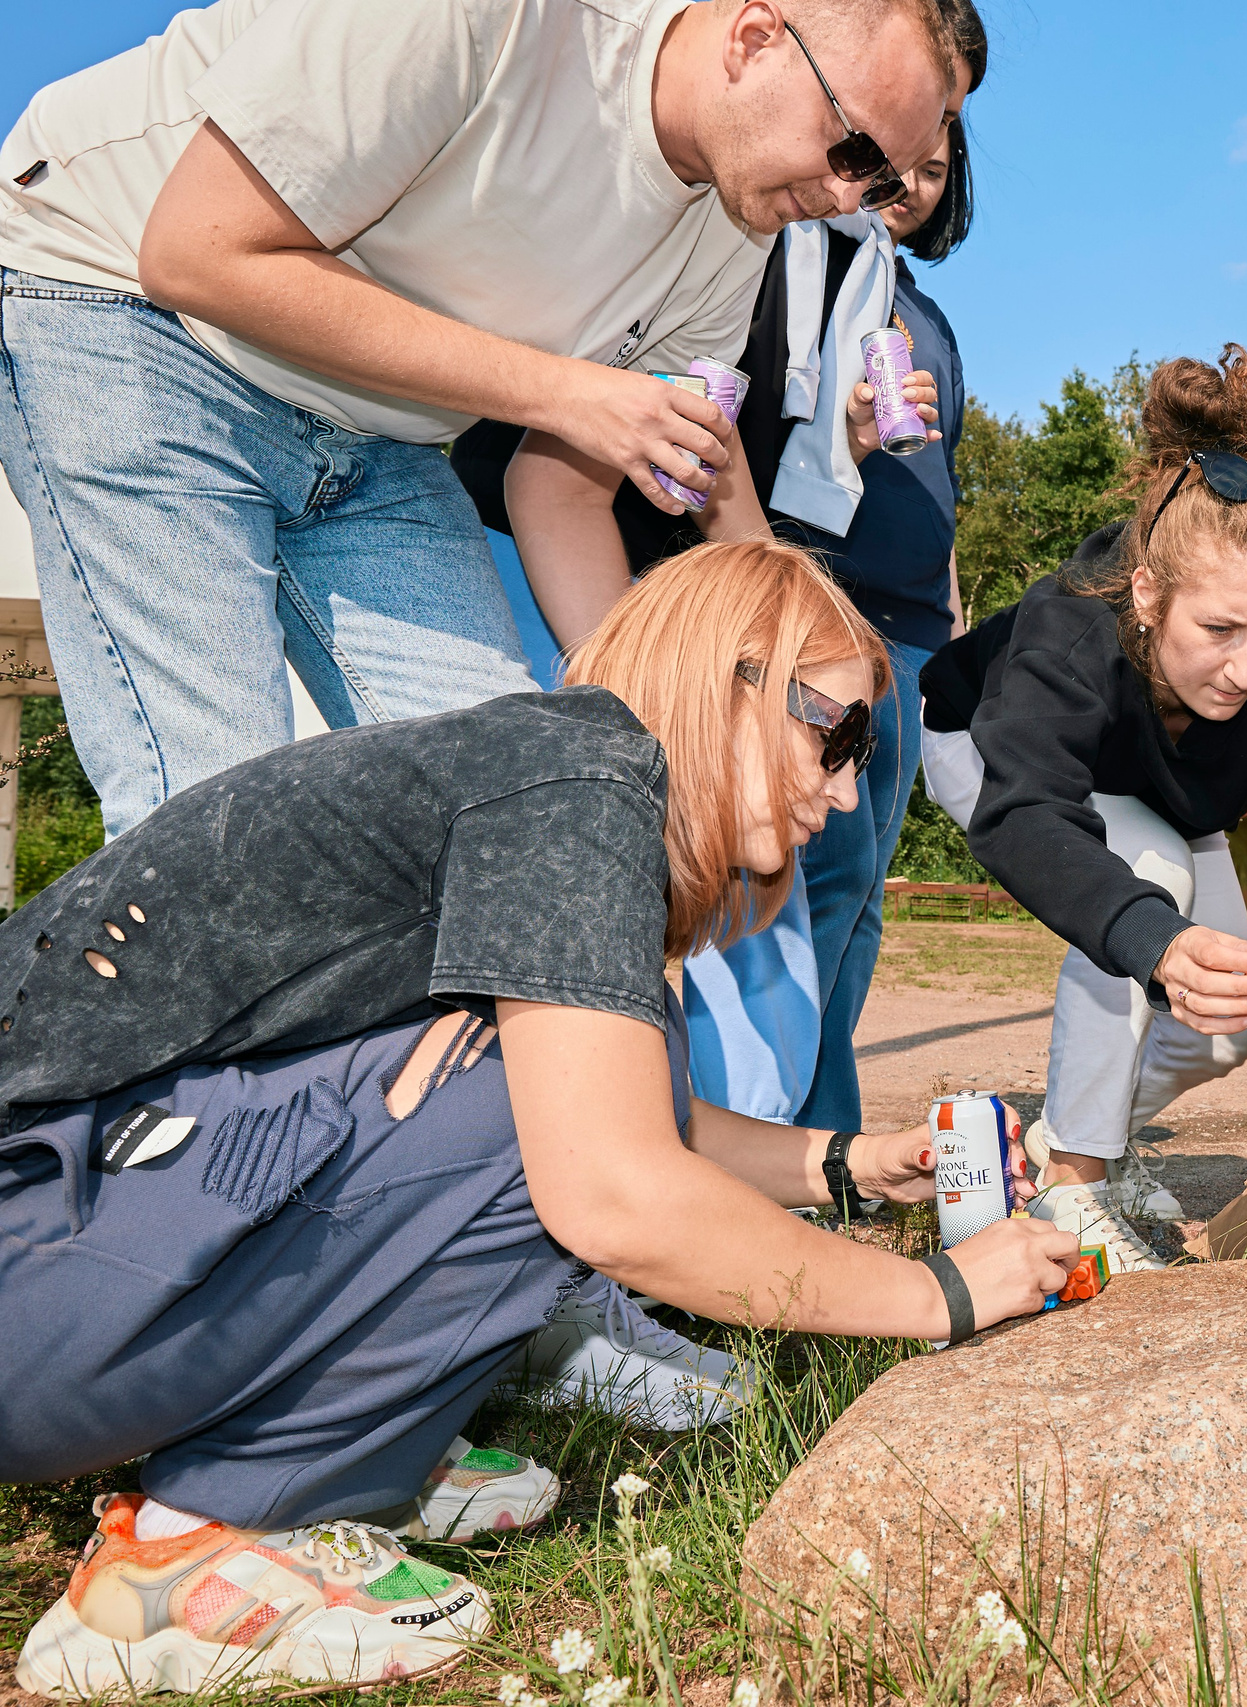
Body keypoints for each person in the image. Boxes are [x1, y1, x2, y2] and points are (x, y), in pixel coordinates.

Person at [2, 540, 1080, 1699]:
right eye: (840, 734)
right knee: (549, 1128)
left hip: (62, 1265)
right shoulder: (580, 781)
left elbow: (623, 1110)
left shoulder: (545, 776)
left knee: (577, 1069)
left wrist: (852, 1164)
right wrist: (942, 1297)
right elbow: (610, 1190)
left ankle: (358, 1452)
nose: (848, 786)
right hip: (34, 1273)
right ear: (733, 674)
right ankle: (193, 1553)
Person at [0, 0, 956, 837]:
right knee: (223, 823)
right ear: (756, 34)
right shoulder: (503, 15)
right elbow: (198, 254)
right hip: (130, 307)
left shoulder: (739, 232)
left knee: (520, 810)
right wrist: (568, 390)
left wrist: (683, 701)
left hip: (381, 437)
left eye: (879, 185)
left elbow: (557, 486)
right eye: (856, 151)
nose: (848, 199)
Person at [453, 6, 985, 1134]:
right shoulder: (725, 225)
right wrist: (663, 706)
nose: (866, 187)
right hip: (579, 579)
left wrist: (798, 625)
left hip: (722, 605)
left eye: (908, 159)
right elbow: (561, 478)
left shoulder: (842, 262)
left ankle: (783, 1159)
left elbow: (717, 454)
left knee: (791, 904)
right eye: (863, 152)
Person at [921, 347, 1247, 1226]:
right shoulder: (1069, 633)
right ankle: (1073, 1188)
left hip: (1159, 790)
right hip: (986, 744)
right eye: (1219, 627)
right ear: (1147, 593)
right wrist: (1154, 941)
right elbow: (1027, 814)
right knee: (1151, 883)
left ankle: (1080, 1138)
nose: (1246, 666)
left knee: (1224, 1031)